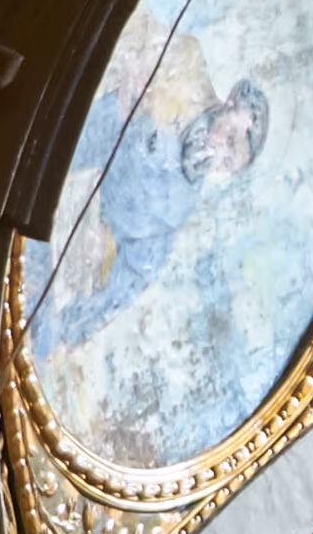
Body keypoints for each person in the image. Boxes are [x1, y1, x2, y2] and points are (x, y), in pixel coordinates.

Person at [56, 74, 269, 341]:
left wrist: (65, 333)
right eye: (229, 137)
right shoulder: (181, 76)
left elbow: (127, 281)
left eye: (226, 162)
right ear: (229, 102)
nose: (216, 154)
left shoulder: (175, 211)